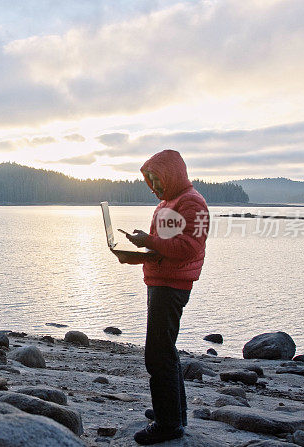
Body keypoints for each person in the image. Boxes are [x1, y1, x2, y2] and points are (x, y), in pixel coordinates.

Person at [115, 149, 209, 445]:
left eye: (157, 180)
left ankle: (168, 424)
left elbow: (189, 248)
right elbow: (165, 248)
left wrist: (148, 241)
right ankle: (172, 414)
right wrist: (133, 254)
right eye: (150, 181)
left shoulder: (191, 202)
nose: (154, 186)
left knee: (158, 354)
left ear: (172, 175)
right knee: (165, 351)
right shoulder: (170, 202)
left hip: (172, 288)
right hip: (162, 282)